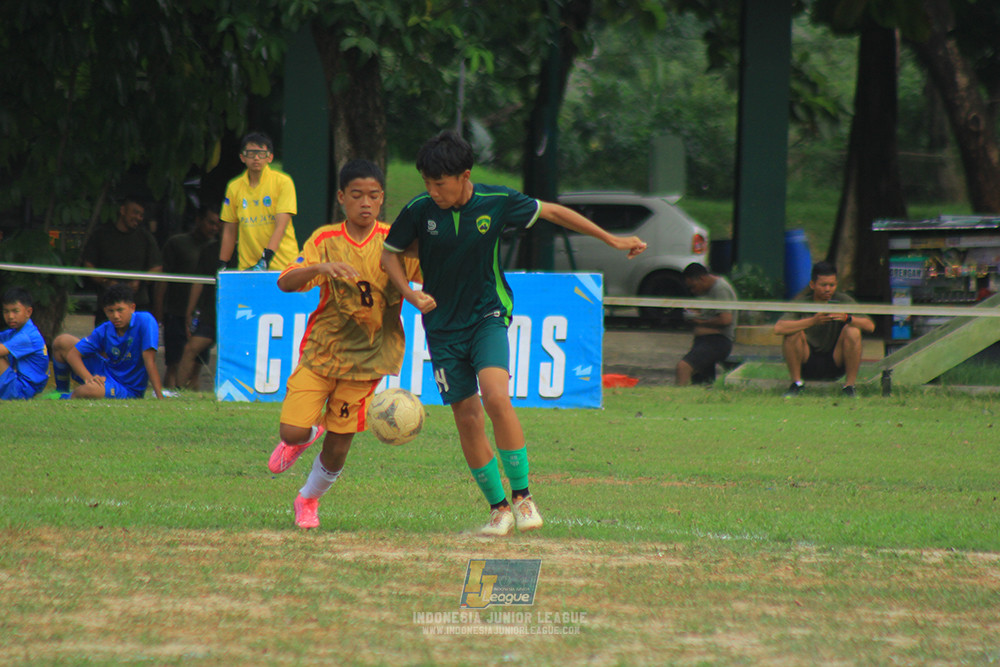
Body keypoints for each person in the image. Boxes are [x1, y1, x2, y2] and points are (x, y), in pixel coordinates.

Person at [380, 130, 647, 536]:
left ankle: (523, 498)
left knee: (496, 397)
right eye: (427, 183)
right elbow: (389, 254)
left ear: (464, 175)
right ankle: (498, 508)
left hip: (488, 314)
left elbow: (555, 213)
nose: (433, 191)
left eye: (440, 183)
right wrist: (409, 294)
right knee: (466, 418)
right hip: (441, 327)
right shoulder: (419, 210)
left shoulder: (497, 201)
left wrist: (612, 239)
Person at [266, 160, 421, 530]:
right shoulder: (325, 240)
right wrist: (321, 269)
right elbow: (285, 282)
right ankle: (307, 433)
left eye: (373, 195)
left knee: (339, 446)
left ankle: (308, 500)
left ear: (382, 199)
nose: (365, 203)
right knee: (291, 433)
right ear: (341, 198)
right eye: (356, 195)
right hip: (321, 353)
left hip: (368, 361)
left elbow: (432, 272)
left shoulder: (395, 240)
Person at [773, 261, 875, 397]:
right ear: (812, 285)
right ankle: (796, 384)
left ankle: (849, 386)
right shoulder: (802, 303)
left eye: (831, 285)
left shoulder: (843, 300)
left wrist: (847, 318)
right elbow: (779, 328)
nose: (828, 289)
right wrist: (812, 321)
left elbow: (870, 326)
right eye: (823, 285)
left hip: (836, 359)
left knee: (853, 331)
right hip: (806, 359)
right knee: (792, 333)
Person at [50, 284, 164, 399]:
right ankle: (60, 390)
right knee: (62, 341)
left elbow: (150, 361)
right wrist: (89, 378)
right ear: (105, 311)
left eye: (120, 310)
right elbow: (73, 355)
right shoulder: (105, 329)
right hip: (105, 372)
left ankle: (66, 397)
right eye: (111, 311)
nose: (116, 316)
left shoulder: (145, 321)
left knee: (90, 391)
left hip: (126, 388)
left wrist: (160, 396)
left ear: (132, 308)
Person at [154, 204, 221, 387]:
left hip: (205, 315)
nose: (214, 228)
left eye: (218, 224)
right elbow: (163, 279)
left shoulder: (218, 250)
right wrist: (159, 311)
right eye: (210, 223)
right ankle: (171, 398)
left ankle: (191, 399)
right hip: (176, 312)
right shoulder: (177, 243)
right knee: (174, 363)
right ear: (199, 220)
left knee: (197, 366)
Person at [218, 132, 299, 272]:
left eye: (261, 153)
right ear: (242, 157)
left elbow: (281, 226)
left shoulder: (283, 182)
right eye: (250, 153)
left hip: (283, 266)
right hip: (247, 268)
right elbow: (230, 230)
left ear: (270, 157)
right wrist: (222, 264)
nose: (256, 158)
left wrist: (265, 259)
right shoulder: (234, 187)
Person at [82, 195, 162, 324]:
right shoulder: (102, 234)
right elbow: (88, 264)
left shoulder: (145, 237)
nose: (138, 218)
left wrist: (140, 281)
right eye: (135, 212)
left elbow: (157, 267)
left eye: (141, 215)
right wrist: (106, 281)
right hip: (108, 304)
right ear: (123, 210)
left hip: (137, 303)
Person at [175, 237, 230, 390]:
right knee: (190, 349)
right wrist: (190, 312)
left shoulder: (248, 250)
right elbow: (198, 282)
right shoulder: (210, 250)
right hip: (211, 313)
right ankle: (179, 391)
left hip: (239, 313)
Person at [676, 263, 738, 386]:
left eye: (693, 287)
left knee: (683, 367)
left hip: (718, 340)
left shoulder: (720, 289)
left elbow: (726, 320)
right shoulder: (707, 291)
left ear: (702, 279)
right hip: (704, 340)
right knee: (702, 382)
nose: (693, 291)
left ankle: (677, 400)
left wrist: (701, 322)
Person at [0, 287, 49, 400]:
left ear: (28, 312)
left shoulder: (27, 336)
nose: (10, 316)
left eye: (15, 311)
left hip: (22, 392)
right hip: (17, 386)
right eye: (6, 311)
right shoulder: (14, 332)